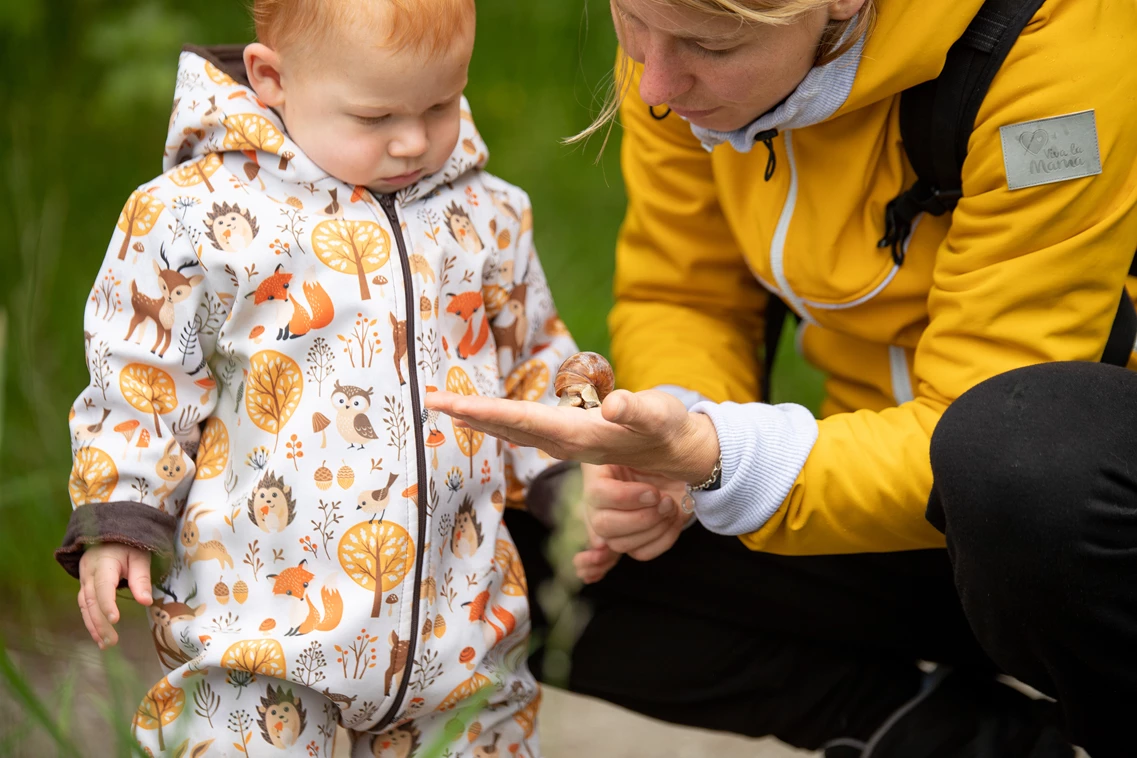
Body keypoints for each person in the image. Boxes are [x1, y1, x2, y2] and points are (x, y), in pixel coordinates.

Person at [425, 0, 1137, 756]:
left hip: (1074, 532)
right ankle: (942, 740)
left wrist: (716, 454)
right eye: (629, 22)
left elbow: (992, 422)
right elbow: (686, 290)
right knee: (488, 514)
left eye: (709, 44)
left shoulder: (1056, 52)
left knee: (1016, 459)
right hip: (894, 509)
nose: (656, 83)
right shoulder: (668, 41)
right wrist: (667, 439)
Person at [54, 1, 578, 754]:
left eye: (441, 103)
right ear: (273, 78)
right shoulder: (195, 215)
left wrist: (568, 480)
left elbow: (534, 361)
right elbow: (142, 376)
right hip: (262, 635)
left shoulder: (488, 216)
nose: (414, 139)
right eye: (374, 115)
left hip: (461, 634)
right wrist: (119, 512)